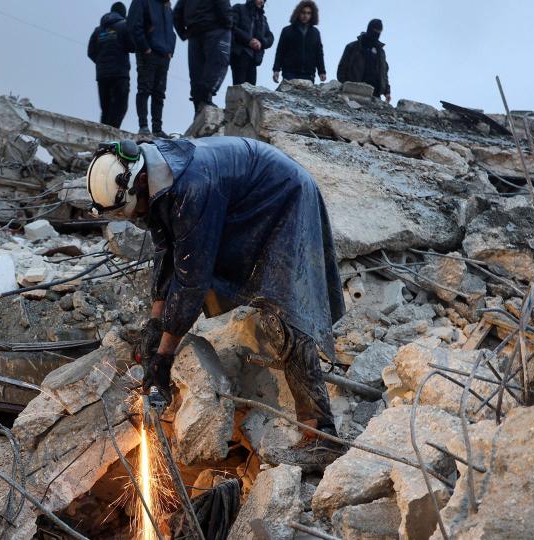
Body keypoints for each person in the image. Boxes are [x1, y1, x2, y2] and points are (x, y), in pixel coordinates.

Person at [85, 136, 346, 472]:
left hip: (285, 196)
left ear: (141, 181)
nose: (137, 216)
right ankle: (318, 434)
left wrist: (163, 356)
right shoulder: (156, 177)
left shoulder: (192, 186)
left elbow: (192, 279)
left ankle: (321, 437)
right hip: (250, 198)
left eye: (132, 210)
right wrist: (155, 322)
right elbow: (168, 253)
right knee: (265, 305)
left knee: (283, 313)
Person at [173, 0, 233, 113]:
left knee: (197, 73)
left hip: (194, 32)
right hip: (215, 30)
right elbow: (223, 5)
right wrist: (228, 23)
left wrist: (183, 33)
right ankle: (205, 100)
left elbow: (176, 13)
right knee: (218, 65)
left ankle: (199, 108)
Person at [127, 0, 176, 137]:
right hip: (148, 53)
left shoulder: (167, 7)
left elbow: (171, 31)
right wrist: (145, 47)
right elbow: (133, 25)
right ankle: (143, 126)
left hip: (164, 55)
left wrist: (170, 50)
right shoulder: (143, 2)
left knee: (159, 93)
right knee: (144, 89)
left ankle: (157, 129)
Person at [88, 3, 135, 129]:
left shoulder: (98, 30)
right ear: (123, 13)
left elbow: (90, 52)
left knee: (106, 108)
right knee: (120, 106)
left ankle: (102, 134)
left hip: (102, 75)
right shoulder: (124, 26)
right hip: (120, 73)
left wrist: (101, 63)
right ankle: (112, 133)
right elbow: (132, 46)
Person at [272, 0, 326, 84]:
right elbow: (280, 51)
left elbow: (319, 53)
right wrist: (276, 70)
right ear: (298, 13)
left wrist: (322, 71)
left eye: (309, 13)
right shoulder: (287, 31)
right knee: (288, 97)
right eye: (303, 12)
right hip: (290, 72)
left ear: (312, 15)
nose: (305, 15)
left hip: (308, 74)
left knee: (307, 97)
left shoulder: (315, 33)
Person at [337, 19, 391, 102]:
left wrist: (387, 91)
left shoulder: (380, 52)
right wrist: (345, 85)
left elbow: (383, 72)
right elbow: (342, 67)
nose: (376, 34)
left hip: (375, 95)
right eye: (375, 30)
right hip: (354, 92)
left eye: (379, 31)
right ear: (369, 29)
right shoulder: (353, 47)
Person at [230, 0, 274, 85]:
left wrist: (261, 43)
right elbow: (231, 27)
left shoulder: (263, 18)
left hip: (254, 58)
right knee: (239, 89)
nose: (262, 1)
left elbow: (270, 37)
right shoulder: (239, 8)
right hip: (239, 54)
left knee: (251, 92)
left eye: (264, 0)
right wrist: (248, 40)